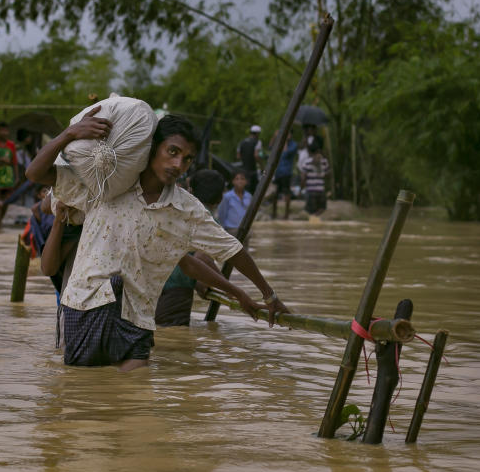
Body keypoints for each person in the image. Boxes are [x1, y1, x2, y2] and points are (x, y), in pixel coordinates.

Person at [26, 110, 290, 371]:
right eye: (172, 152)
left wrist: (267, 294)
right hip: (86, 305)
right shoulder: (104, 185)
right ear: (152, 149)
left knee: (136, 397)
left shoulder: (187, 211)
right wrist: (70, 134)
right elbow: (36, 173)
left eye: (187, 159)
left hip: (137, 318)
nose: (178, 165)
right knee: (82, 398)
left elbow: (233, 251)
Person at [154, 169, 226, 327]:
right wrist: (226, 286)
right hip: (176, 291)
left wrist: (200, 280)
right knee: (174, 340)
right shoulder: (209, 221)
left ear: (190, 192)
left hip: (152, 282)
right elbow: (202, 258)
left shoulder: (177, 211)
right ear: (221, 197)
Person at [301, 140, 331, 220]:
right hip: (320, 191)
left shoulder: (306, 162)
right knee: (322, 208)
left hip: (311, 191)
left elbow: (303, 178)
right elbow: (328, 175)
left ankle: (313, 219)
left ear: (309, 151)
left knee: (310, 211)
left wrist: (301, 189)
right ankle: (315, 218)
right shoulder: (324, 161)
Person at [217, 169, 252, 236]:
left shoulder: (249, 196)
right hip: (231, 230)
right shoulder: (227, 197)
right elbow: (222, 214)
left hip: (245, 230)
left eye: (242, 179)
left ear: (246, 181)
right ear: (233, 181)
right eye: (237, 179)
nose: (240, 181)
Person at [272, 133, 298, 220]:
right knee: (275, 193)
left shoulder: (293, 145)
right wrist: (275, 137)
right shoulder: (279, 143)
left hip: (286, 172)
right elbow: (270, 148)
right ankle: (274, 213)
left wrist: (285, 141)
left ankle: (286, 214)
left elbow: (286, 153)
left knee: (286, 192)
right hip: (278, 172)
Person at [237, 124, 264, 195]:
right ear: (257, 133)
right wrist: (262, 167)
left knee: (245, 190)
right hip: (252, 170)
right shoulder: (258, 142)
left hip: (243, 170)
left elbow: (238, 156)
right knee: (253, 190)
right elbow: (257, 155)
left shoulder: (242, 142)